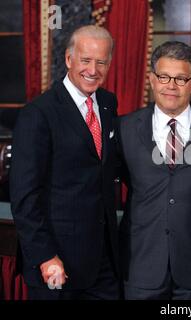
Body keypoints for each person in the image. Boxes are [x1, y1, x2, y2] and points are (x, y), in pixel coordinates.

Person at [10, 25, 120, 300]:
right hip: (57, 265)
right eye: (85, 60)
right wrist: (45, 256)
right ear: (69, 60)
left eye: (101, 62)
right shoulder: (38, 114)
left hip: (104, 263)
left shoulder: (108, 103)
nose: (93, 70)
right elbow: (24, 197)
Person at [117, 41, 191, 300]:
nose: (171, 85)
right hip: (142, 262)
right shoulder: (124, 127)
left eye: (181, 78)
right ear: (152, 80)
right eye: (164, 77)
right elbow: (123, 180)